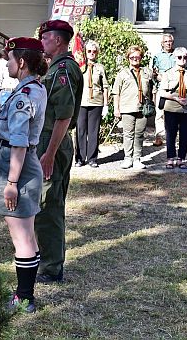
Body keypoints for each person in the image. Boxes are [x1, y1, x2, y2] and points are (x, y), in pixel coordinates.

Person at [0, 37, 48, 313]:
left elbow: (19, 142)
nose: (7, 63)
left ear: (21, 62)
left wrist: (11, 182)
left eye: (9, 59)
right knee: (27, 235)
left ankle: (25, 298)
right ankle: (25, 294)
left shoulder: (24, 96)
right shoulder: (33, 88)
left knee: (21, 237)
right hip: (21, 163)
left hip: (17, 167)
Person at [34, 20, 83, 284]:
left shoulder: (63, 70)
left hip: (54, 140)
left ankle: (51, 267)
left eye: (45, 38)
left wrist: (50, 153)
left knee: (48, 205)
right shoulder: (54, 67)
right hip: (49, 139)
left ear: (59, 41)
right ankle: (47, 257)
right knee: (45, 203)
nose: (42, 43)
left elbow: (63, 117)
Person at [112, 45, 153, 170]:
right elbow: (116, 92)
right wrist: (116, 109)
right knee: (128, 134)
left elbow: (152, 89)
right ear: (128, 58)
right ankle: (128, 158)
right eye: (132, 57)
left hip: (142, 108)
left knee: (139, 134)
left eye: (137, 56)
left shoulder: (146, 72)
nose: (135, 59)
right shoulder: (122, 73)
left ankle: (137, 158)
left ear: (141, 57)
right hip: (127, 107)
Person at [74, 40, 109, 168]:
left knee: (94, 131)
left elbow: (105, 86)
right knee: (80, 131)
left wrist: (106, 105)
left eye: (94, 51)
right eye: (89, 51)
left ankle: (92, 158)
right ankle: (80, 158)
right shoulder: (80, 66)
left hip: (96, 102)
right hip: (82, 102)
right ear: (85, 52)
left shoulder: (100, 68)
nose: (92, 53)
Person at [159, 47, 187, 169]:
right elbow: (162, 92)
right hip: (172, 108)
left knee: (185, 135)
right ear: (175, 58)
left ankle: (181, 159)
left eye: (185, 57)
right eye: (180, 57)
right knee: (171, 134)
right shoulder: (168, 73)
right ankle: (170, 158)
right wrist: (176, 98)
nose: (182, 59)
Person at [152, 34, 176, 146]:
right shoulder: (157, 57)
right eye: (166, 41)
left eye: (170, 41)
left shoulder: (177, 55)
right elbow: (153, 73)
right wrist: (156, 77)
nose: (168, 43)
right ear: (162, 43)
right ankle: (159, 137)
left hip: (174, 89)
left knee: (173, 113)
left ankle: (173, 137)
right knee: (160, 113)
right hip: (161, 88)